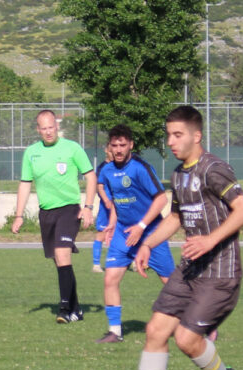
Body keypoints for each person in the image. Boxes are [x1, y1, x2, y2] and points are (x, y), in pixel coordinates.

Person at [106, 106, 243, 370]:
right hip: (189, 270)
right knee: (155, 330)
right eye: (169, 135)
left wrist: (210, 240)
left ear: (196, 136)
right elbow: (175, 217)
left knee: (186, 339)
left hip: (219, 273)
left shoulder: (214, 169)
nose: (171, 141)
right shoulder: (178, 174)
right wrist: (147, 244)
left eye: (178, 135)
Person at [12, 109, 97, 324]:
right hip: (46, 212)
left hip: (69, 209)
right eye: (44, 128)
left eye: (51, 127)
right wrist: (19, 215)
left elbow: (91, 176)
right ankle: (76, 309)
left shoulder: (72, 148)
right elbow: (25, 184)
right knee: (59, 261)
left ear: (57, 126)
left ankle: (64, 309)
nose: (48, 132)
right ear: (38, 130)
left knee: (62, 254)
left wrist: (88, 207)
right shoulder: (31, 153)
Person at [95, 124, 175, 344]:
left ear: (131, 144)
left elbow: (161, 199)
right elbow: (116, 202)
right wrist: (112, 224)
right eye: (114, 145)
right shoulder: (107, 171)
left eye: (123, 145)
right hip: (123, 233)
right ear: (109, 147)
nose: (118, 149)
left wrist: (141, 226)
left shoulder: (140, 168)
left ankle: (200, 324)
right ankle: (115, 331)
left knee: (171, 283)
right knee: (110, 278)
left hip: (150, 232)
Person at [92, 143, 113, 273]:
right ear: (106, 150)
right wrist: (106, 200)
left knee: (124, 233)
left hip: (120, 205)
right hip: (106, 207)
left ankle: (130, 262)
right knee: (101, 234)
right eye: (111, 150)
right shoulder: (102, 168)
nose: (114, 153)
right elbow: (99, 187)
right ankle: (96, 264)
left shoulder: (119, 166)